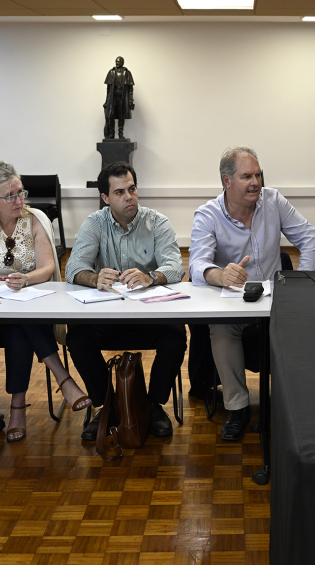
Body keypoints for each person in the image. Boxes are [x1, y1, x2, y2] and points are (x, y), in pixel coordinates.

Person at [189, 146, 315, 441]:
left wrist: (301, 284)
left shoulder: (273, 201)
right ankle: (237, 407)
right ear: (227, 180)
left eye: (258, 175)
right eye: (247, 176)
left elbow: (311, 239)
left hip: (275, 300)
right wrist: (219, 275)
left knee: (304, 329)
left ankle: (290, 404)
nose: (256, 182)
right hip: (232, 302)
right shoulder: (208, 214)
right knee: (221, 331)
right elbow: (197, 264)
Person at [0, 162, 90, 443]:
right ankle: (63, 379)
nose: (19, 201)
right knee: (21, 323)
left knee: (19, 328)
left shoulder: (35, 218)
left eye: (21, 192)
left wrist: (27, 279)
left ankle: (18, 408)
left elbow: (48, 267)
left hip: (29, 308)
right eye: (11, 196)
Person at [66, 162, 186, 442]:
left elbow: (175, 267)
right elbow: (73, 269)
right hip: (107, 316)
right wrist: (94, 278)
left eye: (131, 189)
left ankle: (153, 405)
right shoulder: (95, 223)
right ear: (106, 198)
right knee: (78, 339)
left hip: (149, 315)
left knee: (177, 335)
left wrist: (151, 277)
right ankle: (108, 405)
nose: (129, 196)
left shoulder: (157, 221)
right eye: (119, 192)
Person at [103, 56, 134, 139]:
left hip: (122, 96)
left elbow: (130, 89)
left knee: (121, 115)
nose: (118, 63)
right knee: (111, 115)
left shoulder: (127, 73)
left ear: (123, 63)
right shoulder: (111, 72)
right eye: (116, 62)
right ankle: (111, 134)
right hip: (113, 96)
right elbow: (108, 89)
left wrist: (130, 100)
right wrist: (106, 101)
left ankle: (120, 133)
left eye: (119, 62)